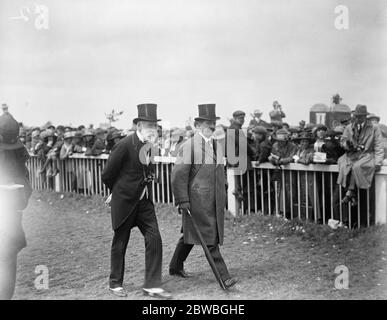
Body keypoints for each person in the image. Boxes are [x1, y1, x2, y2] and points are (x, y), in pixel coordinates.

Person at [102, 103, 172, 299]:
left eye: (155, 125)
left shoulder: (149, 146)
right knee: (120, 242)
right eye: (149, 125)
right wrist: (115, 192)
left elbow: (147, 170)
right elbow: (107, 174)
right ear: (138, 126)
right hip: (124, 202)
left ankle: (152, 285)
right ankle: (115, 284)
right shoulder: (124, 145)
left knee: (155, 239)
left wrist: (150, 177)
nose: (153, 129)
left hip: (144, 203)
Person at [169, 103, 238, 289]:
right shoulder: (189, 146)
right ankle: (224, 277)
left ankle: (175, 266)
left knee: (189, 235)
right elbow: (178, 176)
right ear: (197, 126)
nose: (211, 127)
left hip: (213, 201)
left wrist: (223, 188)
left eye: (213, 123)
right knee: (209, 238)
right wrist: (182, 200)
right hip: (196, 202)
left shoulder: (216, 145)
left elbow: (220, 171)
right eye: (207, 124)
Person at [0, 113, 32, 299]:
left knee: (6, 258)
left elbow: (26, 189)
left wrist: (16, 189)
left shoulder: (18, 156)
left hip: (9, 216)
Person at [337, 105, 384, 206]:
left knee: (357, 167)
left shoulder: (374, 127)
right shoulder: (349, 127)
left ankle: (350, 192)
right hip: (351, 154)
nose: (357, 119)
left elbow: (379, 145)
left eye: (360, 117)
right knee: (343, 165)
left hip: (366, 154)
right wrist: (348, 144)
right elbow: (343, 141)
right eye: (356, 116)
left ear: (365, 116)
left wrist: (378, 162)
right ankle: (352, 194)